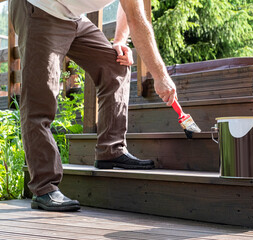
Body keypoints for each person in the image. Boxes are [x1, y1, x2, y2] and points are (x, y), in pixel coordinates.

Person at [9, 0, 177, 211]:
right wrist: (161, 76)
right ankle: (44, 188)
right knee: (40, 100)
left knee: (114, 65)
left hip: (74, 17)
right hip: (41, 8)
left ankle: (111, 150)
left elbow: (133, 9)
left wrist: (120, 40)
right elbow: (137, 20)